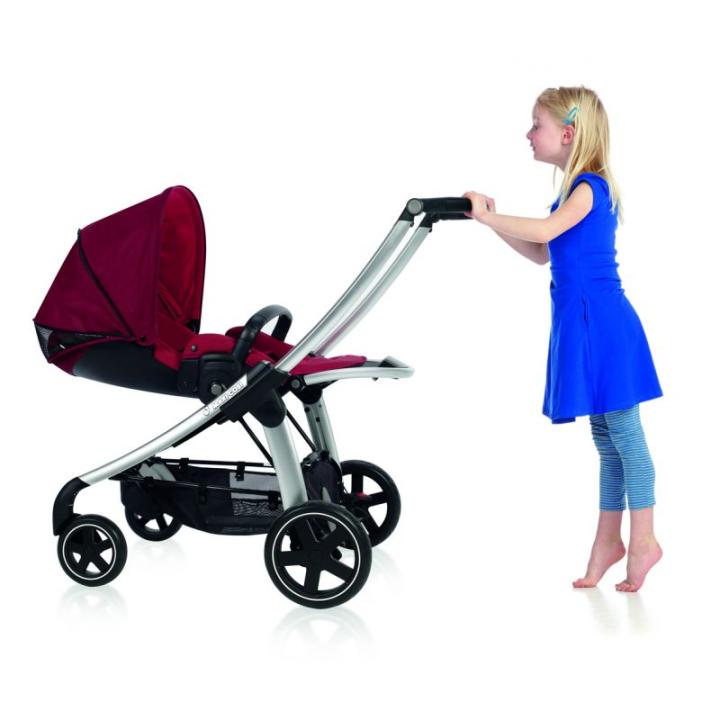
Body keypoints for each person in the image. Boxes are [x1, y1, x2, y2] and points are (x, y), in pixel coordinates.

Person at [462, 86, 663, 592]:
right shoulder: (571, 193)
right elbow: (542, 251)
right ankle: (608, 541)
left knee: (625, 434)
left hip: (604, 325)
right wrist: (490, 224)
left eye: (537, 125)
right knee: (606, 440)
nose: (529, 134)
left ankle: (644, 539)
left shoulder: (590, 187)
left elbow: (546, 230)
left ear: (568, 134)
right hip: (584, 323)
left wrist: (487, 214)